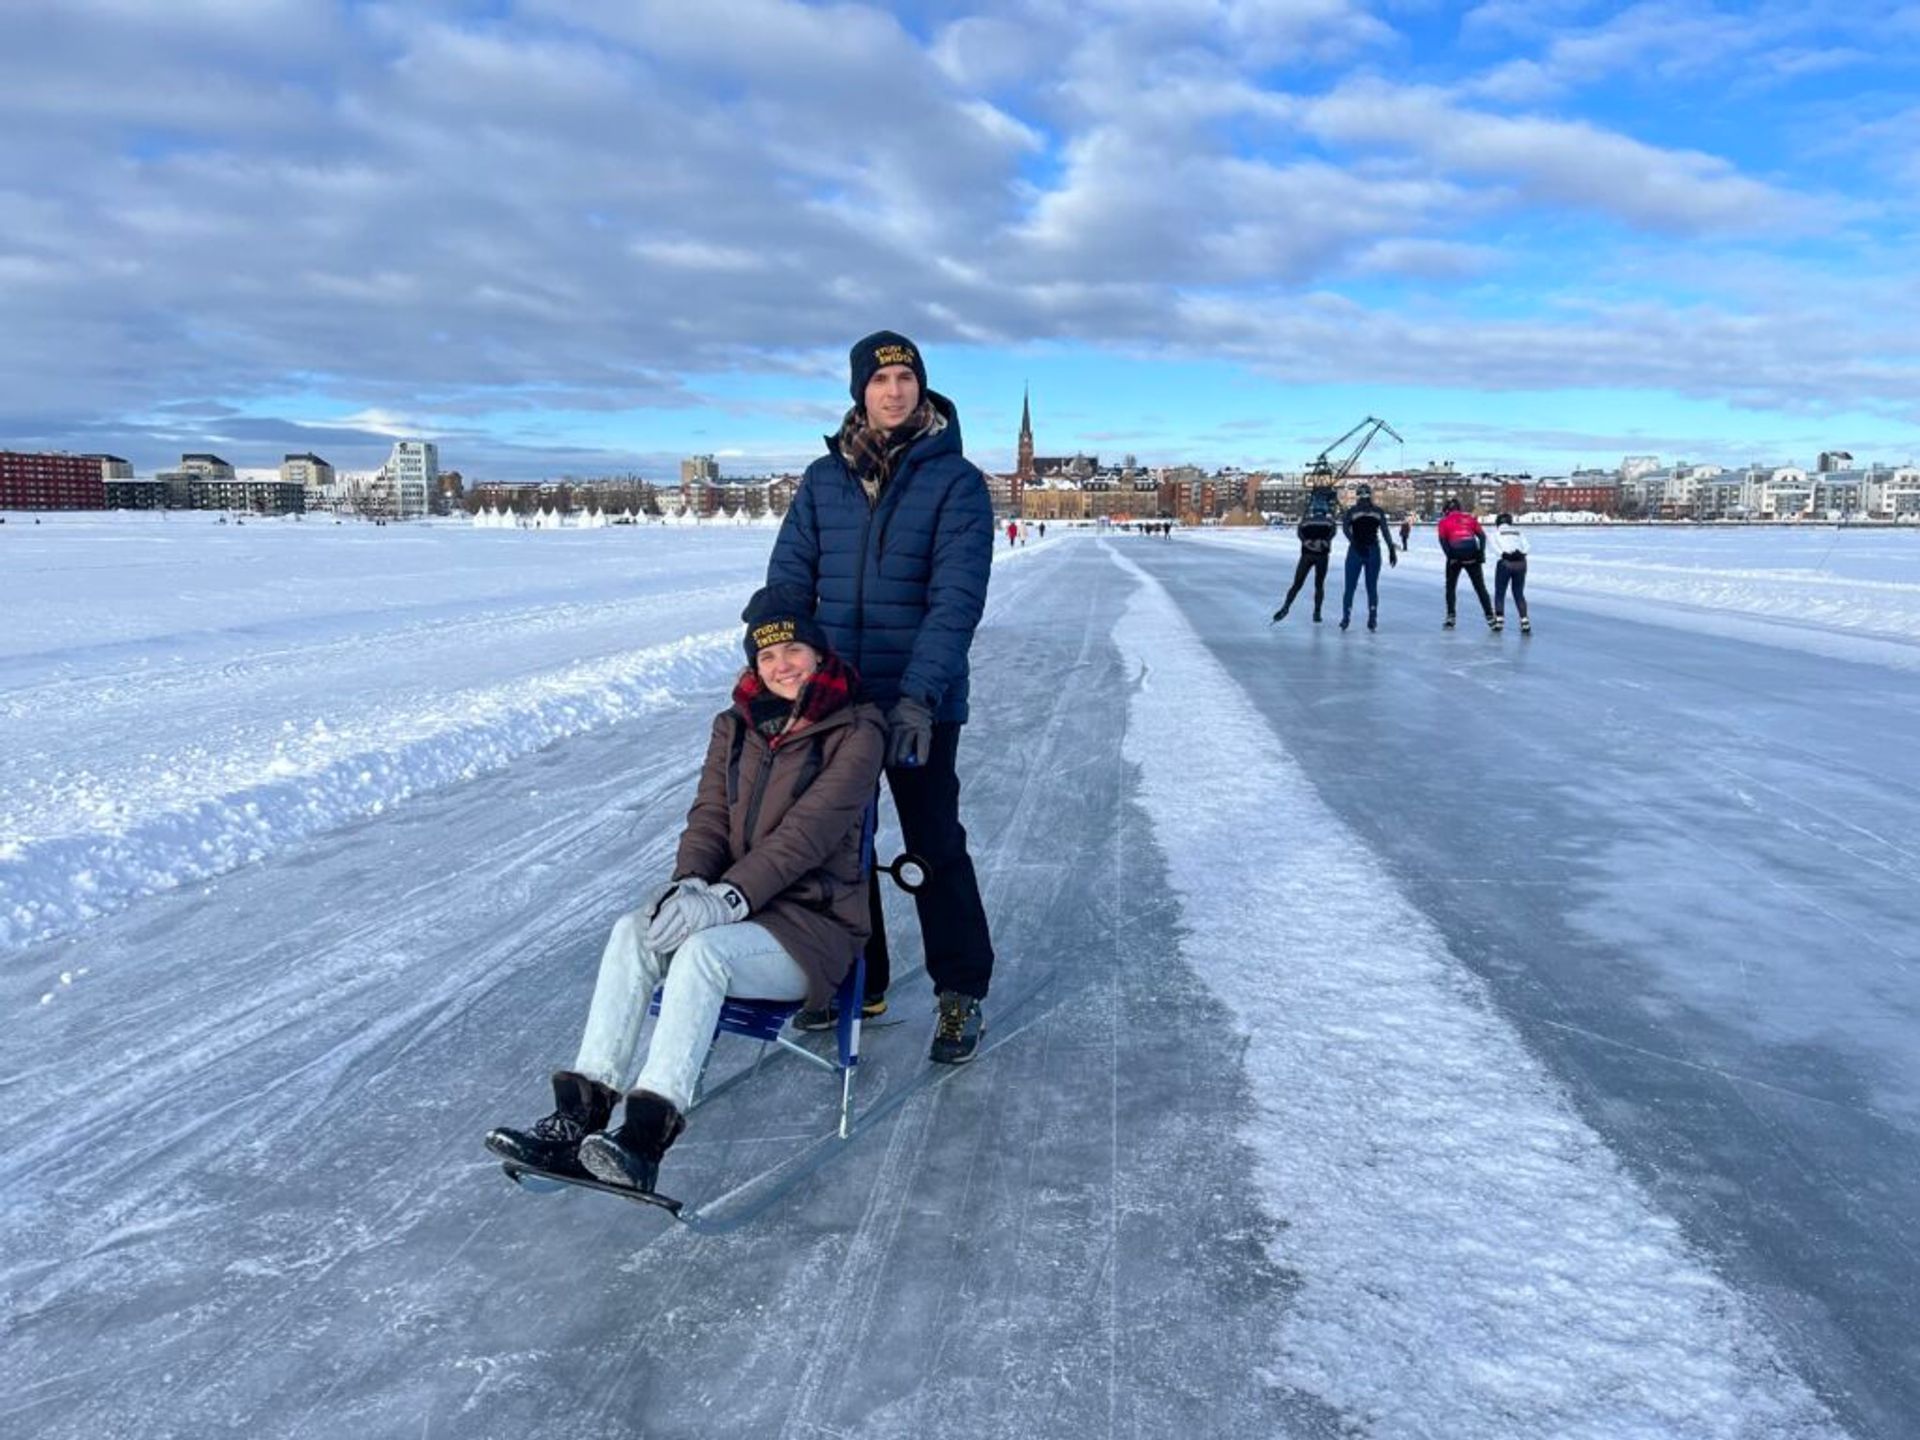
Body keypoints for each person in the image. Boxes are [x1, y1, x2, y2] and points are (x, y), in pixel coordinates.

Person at [485, 586, 886, 1195]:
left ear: (819, 653)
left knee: (702, 955)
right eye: (767, 656)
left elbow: (808, 836)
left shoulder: (857, 730)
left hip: (812, 926)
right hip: (732, 910)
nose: (782, 667)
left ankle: (644, 1138)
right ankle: (579, 1118)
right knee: (632, 931)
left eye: (795, 650)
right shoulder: (734, 726)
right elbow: (708, 818)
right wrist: (688, 885)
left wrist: (723, 900)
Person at [767, 330, 997, 1064]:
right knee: (839, 847)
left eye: (906, 378)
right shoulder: (823, 478)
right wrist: (776, 668)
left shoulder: (955, 481)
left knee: (932, 844)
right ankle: (858, 979)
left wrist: (920, 697)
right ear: (858, 392)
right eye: (880, 379)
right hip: (839, 699)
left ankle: (960, 992)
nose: (893, 391)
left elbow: (954, 601)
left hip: (921, 700)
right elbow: (789, 585)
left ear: (922, 390)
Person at [1338, 482, 1399, 631]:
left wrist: (1355, 542)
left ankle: (1346, 618)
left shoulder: (1352, 511)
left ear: (1357, 496)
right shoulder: (1378, 511)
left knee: (1350, 587)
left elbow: (1345, 529)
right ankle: (1372, 618)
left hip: (1356, 550)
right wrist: (1391, 548)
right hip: (1373, 550)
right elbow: (1385, 531)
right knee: (1371, 587)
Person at [1273, 486, 1338, 624]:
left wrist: (1308, 543)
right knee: (1319, 585)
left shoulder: (1305, 522)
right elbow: (1331, 536)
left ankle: (1286, 606)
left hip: (1306, 556)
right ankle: (1317, 612)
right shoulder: (1330, 523)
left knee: (1297, 584)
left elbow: (1300, 535)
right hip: (1322, 556)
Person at [1435, 498, 1497, 630]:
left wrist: (1450, 556)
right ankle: (1490, 617)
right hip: (1472, 555)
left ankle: (1451, 617)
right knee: (1480, 587)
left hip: (1455, 555)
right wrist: (1481, 553)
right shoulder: (1469, 518)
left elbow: (1443, 541)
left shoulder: (1443, 522)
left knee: (1451, 587)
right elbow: (1482, 536)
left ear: (1446, 510)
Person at [1490, 512, 1532, 633]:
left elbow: (1494, 548)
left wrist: (1504, 554)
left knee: (1500, 592)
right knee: (1518, 593)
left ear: (1498, 523)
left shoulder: (1495, 534)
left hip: (1506, 563)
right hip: (1521, 563)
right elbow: (1527, 546)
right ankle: (1525, 621)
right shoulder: (1519, 532)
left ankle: (1499, 620)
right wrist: (1521, 554)